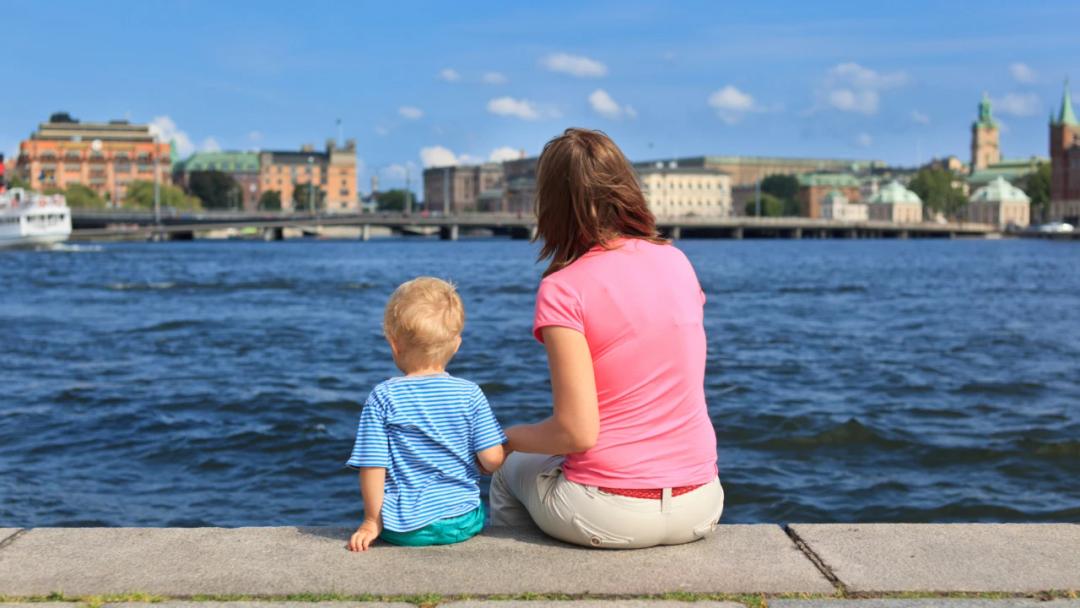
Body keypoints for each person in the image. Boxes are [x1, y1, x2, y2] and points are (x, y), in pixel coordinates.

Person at [489, 128, 723, 549]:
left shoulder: (563, 287)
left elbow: (576, 433)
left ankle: (513, 572)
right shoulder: (677, 260)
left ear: (552, 206)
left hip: (610, 513)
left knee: (510, 470)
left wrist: (504, 439)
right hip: (702, 502)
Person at [346, 277, 506, 551]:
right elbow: (492, 461)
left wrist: (372, 521)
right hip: (463, 521)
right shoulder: (470, 394)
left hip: (405, 528)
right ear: (456, 345)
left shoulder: (383, 397)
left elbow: (372, 466)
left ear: (394, 345)